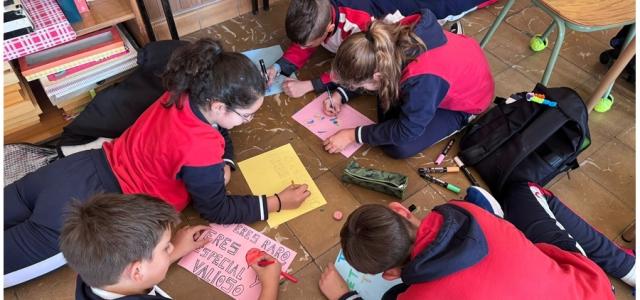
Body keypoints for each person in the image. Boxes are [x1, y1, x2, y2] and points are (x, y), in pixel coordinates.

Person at [4, 39, 310, 287]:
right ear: (218, 105)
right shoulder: (201, 148)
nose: (251, 120)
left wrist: (225, 160)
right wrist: (278, 201)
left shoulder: (183, 92)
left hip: (75, 169)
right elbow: (216, 209)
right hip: (86, 214)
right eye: (248, 115)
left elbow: (218, 128)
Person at [318, 183, 636, 299]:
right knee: (522, 190)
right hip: (588, 291)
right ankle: (630, 269)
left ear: (389, 274)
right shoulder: (461, 210)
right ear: (400, 209)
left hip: (593, 292)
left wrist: (343, 296)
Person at [322, 10, 494, 159]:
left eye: (359, 86)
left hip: (466, 102)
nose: (360, 89)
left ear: (378, 75)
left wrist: (352, 135)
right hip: (455, 64)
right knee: (387, 112)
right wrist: (341, 94)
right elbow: (366, 63)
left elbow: (407, 130)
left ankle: (461, 120)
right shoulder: (379, 39)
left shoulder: (422, 80)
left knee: (398, 147)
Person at [60, 193, 282, 300]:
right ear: (137, 271)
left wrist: (176, 250)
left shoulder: (91, 274)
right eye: (166, 247)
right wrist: (269, 284)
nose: (172, 247)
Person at [268, 0, 497, 99]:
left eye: (309, 44)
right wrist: (280, 67)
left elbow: (359, 69)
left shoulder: (360, 26)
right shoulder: (318, 10)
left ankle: (448, 36)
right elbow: (304, 41)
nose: (304, 48)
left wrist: (310, 85)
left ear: (329, 26)